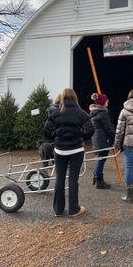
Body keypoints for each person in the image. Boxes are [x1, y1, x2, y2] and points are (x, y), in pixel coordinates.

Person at [44, 88, 94, 217]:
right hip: (76, 150)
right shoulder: (81, 113)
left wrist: (56, 135)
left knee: (59, 179)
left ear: (63, 98)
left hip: (59, 150)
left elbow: (46, 131)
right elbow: (91, 129)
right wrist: (82, 136)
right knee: (73, 179)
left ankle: (58, 209)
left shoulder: (55, 112)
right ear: (74, 98)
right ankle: (73, 209)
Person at [89, 93, 115, 189]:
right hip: (103, 140)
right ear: (103, 102)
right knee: (101, 160)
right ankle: (99, 180)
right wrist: (114, 137)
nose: (108, 101)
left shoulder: (94, 113)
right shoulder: (103, 114)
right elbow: (108, 128)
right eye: (106, 100)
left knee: (100, 159)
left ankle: (96, 176)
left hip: (97, 139)